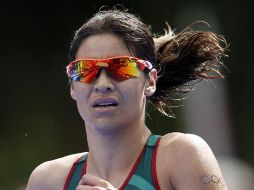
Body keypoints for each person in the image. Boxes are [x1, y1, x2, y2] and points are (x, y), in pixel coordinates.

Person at [26, 7, 228, 190]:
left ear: (150, 81)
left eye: (122, 67)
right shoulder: (47, 181)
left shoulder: (181, 156)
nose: (103, 84)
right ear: (72, 86)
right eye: (86, 70)